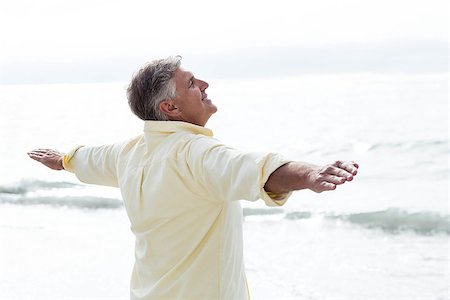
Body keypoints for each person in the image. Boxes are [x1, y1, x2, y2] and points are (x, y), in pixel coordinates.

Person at [28, 56, 359, 300]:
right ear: (170, 108)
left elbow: (89, 159)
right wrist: (311, 174)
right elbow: (255, 168)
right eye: (191, 83)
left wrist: (62, 160)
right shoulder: (195, 154)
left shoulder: (128, 153)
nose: (204, 85)